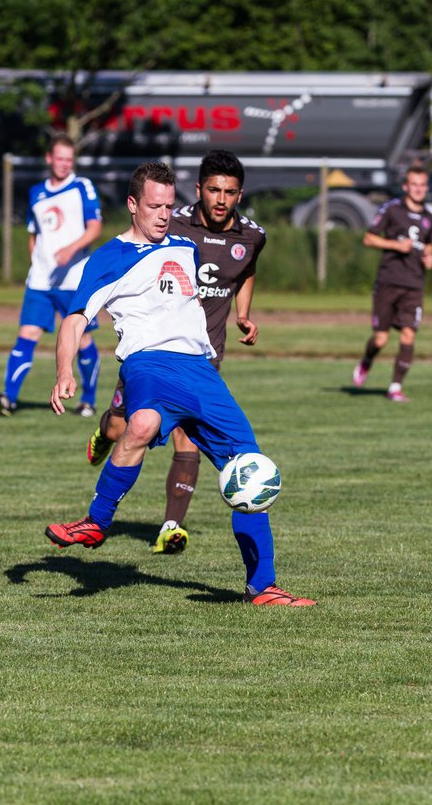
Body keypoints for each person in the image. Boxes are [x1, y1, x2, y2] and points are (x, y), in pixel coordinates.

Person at [45, 161, 314, 606]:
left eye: (170, 205)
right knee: (143, 423)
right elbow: (76, 320)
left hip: (201, 371)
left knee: (251, 470)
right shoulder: (109, 258)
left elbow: (240, 263)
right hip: (148, 363)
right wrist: (64, 371)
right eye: (154, 206)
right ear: (133, 205)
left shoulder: (186, 245)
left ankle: (263, 587)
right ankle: (96, 522)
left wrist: (243, 312)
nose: (164, 214)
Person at [84, 150, 265, 555]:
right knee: (124, 427)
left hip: (202, 354)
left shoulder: (252, 235)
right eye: (214, 190)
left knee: (188, 439)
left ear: (240, 194)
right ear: (199, 190)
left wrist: (244, 313)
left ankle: (171, 525)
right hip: (150, 353)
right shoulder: (173, 223)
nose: (221, 199)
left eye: (230, 192)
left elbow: (248, 267)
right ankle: (104, 433)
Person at [0, 135, 103, 417]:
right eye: (59, 158)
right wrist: (35, 262)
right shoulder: (36, 192)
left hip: (73, 279)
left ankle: (88, 400)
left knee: (81, 339)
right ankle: (8, 399)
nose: (64, 164)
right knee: (27, 334)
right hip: (40, 280)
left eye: (68, 159)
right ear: (49, 159)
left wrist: (71, 248)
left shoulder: (81, 187)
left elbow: (95, 227)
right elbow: (33, 234)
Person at [350, 166, 432, 402]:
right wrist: (395, 245)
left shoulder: (429, 218)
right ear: (406, 187)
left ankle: (395, 387)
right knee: (381, 339)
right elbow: (369, 238)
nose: (418, 189)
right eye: (414, 184)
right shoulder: (392, 210)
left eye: (423, 185)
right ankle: (367, 360)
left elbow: (428, 246)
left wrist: (430, 258)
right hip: (388, 282)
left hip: (415, 284)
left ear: (426, 188)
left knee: (408, 335)